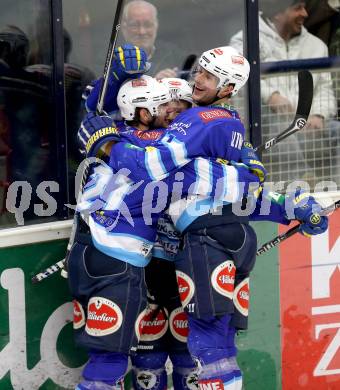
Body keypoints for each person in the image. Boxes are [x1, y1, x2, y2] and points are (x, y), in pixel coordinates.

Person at [79, 45, 328, 390]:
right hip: (150, 263)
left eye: (178, 106)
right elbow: (241, 186)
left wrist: (104, 142)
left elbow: (167, 171)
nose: (174, 112)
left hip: (184, 255)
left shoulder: (188, 137)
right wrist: (275, 198)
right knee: (157, 359)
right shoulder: (174, 139)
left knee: (197, 354)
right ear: (147, 109)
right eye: (167, 105)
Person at [230, 0, 339, 186]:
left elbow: (325, 90)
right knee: (277, 122)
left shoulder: (316, 45)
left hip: (309, 129)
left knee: (337, 130)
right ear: (278, 13)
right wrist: (271, 96)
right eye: (298, 8)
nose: (305, 14)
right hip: (265, 134)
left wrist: (319, 115)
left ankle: (337, 192)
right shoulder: (244, 39)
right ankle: (303, 182)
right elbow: (239, 77)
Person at [120, 0, 186, 80]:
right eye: (134, 25)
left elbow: (193, 71)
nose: (142, 31)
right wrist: (154, 83)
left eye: (148, 25)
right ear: (124, 28)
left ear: (156, 26)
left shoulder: (172, 53)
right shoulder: (109, 59)